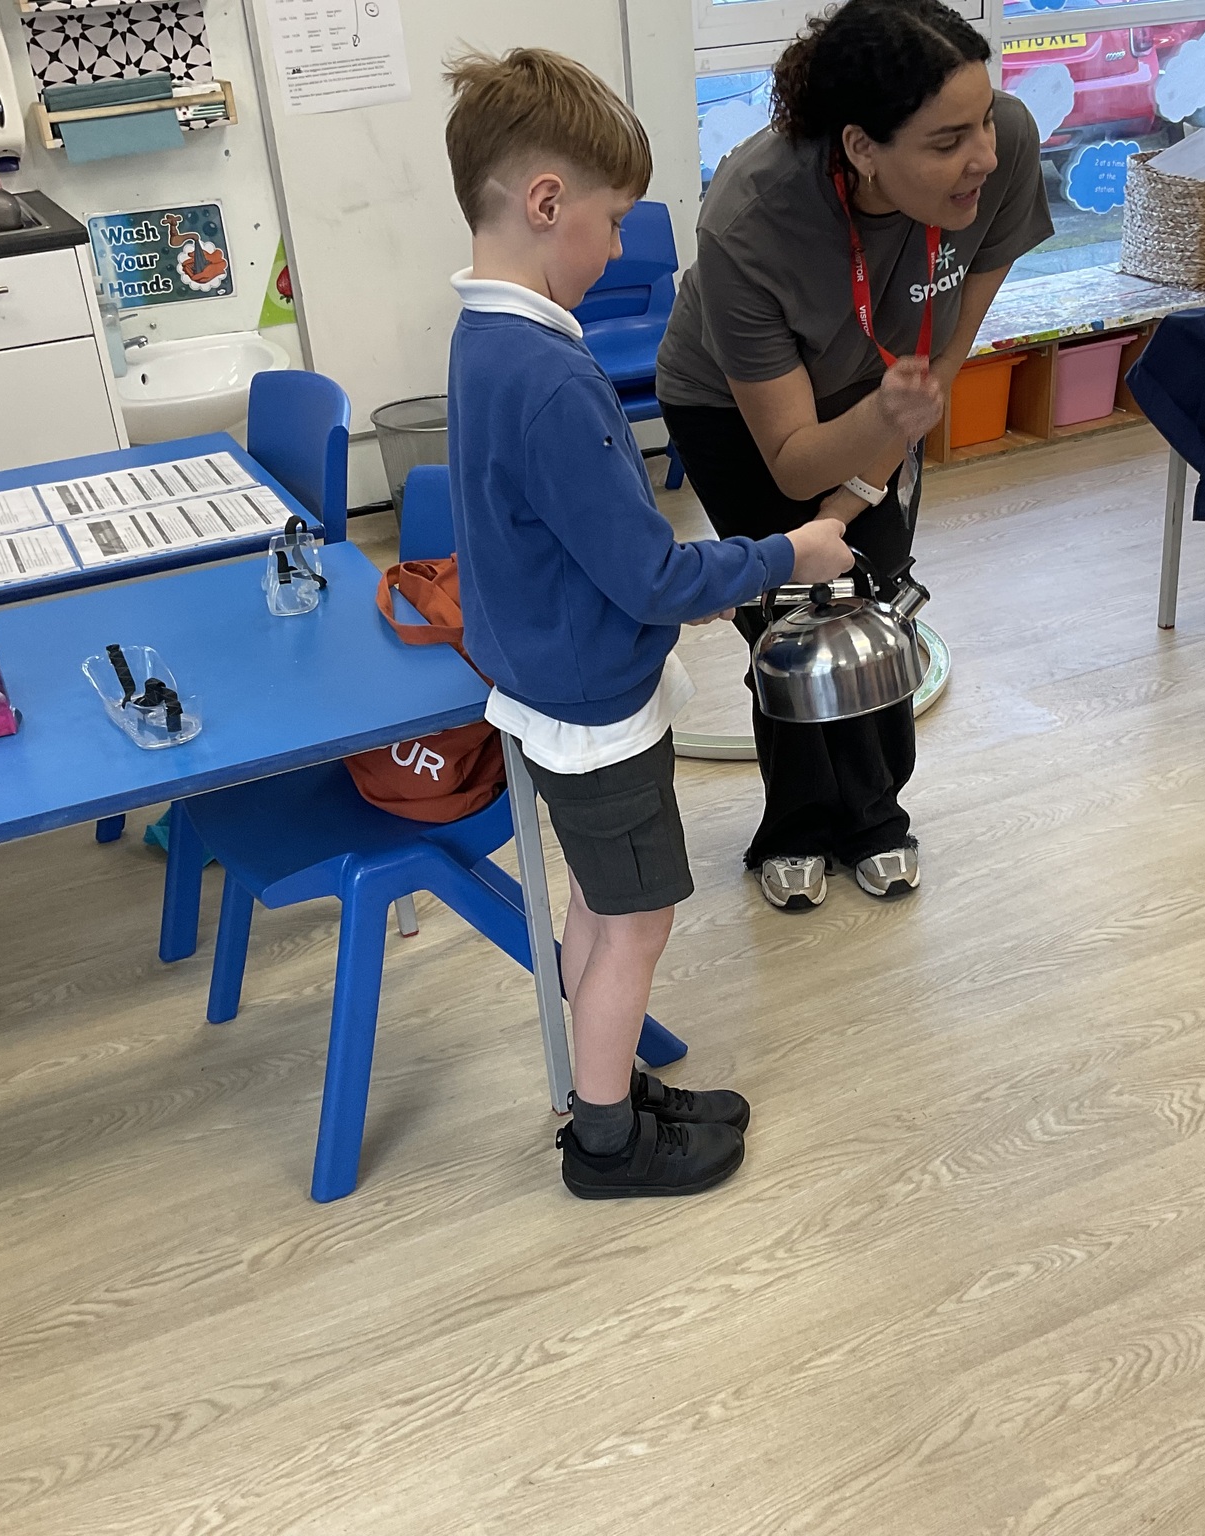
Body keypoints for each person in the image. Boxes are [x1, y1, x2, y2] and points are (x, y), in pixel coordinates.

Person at [441, 50, 855, 1198]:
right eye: (614, 220)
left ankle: (602, 1086)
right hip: (591, 706)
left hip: (541, 682)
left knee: (599, 900)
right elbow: (652, 577)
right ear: (545, 203)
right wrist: (788, 554)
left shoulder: (484, 338)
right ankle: (605, 1144)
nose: (622, 246)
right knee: (635, 922)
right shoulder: (547, 376)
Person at [657, 0, 1054, 912]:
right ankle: (794, 827)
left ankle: (876, 818)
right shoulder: (750, 219)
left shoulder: (1005, 143)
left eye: (983, 121)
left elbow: (950, 339)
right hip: (736, 408)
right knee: (790, 616)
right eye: (948, 140)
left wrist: (891, 440)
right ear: (862, 147)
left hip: (888, 384)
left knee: (874, 598)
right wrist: (872, 436)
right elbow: (795, 464)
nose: (983, 155)